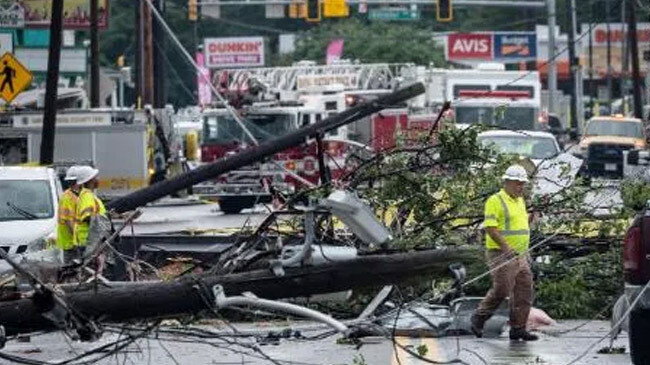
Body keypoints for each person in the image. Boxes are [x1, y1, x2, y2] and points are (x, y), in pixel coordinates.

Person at [471, 164, 538, 341]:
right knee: (502, 289)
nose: (521, 187)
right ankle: (479, 317)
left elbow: (520, 226)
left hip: (521, 254)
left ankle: (518, 328)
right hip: (500, 253)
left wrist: (533, 217)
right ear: (506, 182)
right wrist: (506, 248)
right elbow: (491, 228)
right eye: (517, 183)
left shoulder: (520, 201)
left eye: (522, 183)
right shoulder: (495, 200)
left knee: (524, 291)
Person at [74, 166, 106, 254]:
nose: (98, 179)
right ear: (90, 180)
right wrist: (105, 219)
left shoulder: (89, 195)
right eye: (95, 177)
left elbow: (96, 213)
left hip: (91, 241)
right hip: (89, 241)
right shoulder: (87, 196)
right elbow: (86, 217)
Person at [56, 166, 81, 263]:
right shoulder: (68, 197)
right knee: (72, 270)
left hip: (72, 242)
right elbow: (69, 221)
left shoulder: (75, 195)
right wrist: (77, 240)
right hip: (70, 243)